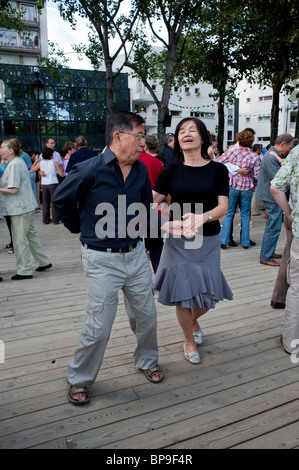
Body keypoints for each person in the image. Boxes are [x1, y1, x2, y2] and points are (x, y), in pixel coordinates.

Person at [52, 111, 175, 405]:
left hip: (135, 256)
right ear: (118, 137)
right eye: (140, 136)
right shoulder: (88, 169)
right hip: (100, 260)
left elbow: (145, 211)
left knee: (147, 316)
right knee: (98, 325)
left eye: (144, 137)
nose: (144, 143)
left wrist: (164, 225)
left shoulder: (141, 171)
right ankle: (78, 378)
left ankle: (147, 360)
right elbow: (60, 200)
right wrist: (81, 228)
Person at [152, 117, 233, 365]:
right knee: (183, 295)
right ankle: (188, 339)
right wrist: (162, 220)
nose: (186, 133)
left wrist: (203, 218)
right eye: (181, 131)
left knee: (209, 294)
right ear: (176, 140)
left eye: (192, 130)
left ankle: (193, 320)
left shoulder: (218, 169)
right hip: (179, 243)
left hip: (208, 241)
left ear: (202, 136)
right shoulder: (171, 170)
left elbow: (223, 207)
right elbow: (151, 201)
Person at [0, 139, 52, 280]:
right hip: (25, 206)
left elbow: (13, 189)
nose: (0, 151)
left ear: (10, 150)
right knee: (31, 236)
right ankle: (43, 261)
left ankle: (24, 270)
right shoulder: (16, 163)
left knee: (19, 239)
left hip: (19, 208)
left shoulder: (15, 164)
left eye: (2, 148)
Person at [270, 144, 299, 354]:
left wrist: (290, 214)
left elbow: (275, 186)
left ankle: (291, 341)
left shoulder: (297, 153)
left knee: (297, 287)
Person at [255, 133, 294, 266]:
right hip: (272, 198)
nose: (289, 151)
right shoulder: (272, 157)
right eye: (289, 148)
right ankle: (266, 255)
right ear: (283, 144)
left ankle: (269, 252)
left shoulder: (271, 154)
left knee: (273, 226)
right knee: (273, 227)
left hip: (270, 196)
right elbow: (279, 180)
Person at [218, 130, 261, 249]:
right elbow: (257, 175)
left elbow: (219, 162)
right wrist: (247, 172)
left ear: (238, 139)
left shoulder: (232, 152)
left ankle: (224, 240)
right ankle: (245, 242)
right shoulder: (254, 156)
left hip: (233, 185)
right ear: (251, 142)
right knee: (245, 215)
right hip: (247, 187)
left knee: (229, 213)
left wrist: (235, 169)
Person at [139, 135, 165, 273]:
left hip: (132, 212)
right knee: (156, 249)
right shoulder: (156, 163)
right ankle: (160, 281)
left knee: (136, 251)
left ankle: (141, 283)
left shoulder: (128, 162)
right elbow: (165, 188)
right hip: (153, 210)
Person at [31, 147, 65, 225]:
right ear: (51, 155)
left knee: (45, 203)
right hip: (53, 182)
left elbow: (32, 170)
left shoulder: (41, 163)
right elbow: (61, 174)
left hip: (44, 184)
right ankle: (55, 219)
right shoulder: (54, 163)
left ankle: (45, 219)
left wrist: (36, 162)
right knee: (54, 202)